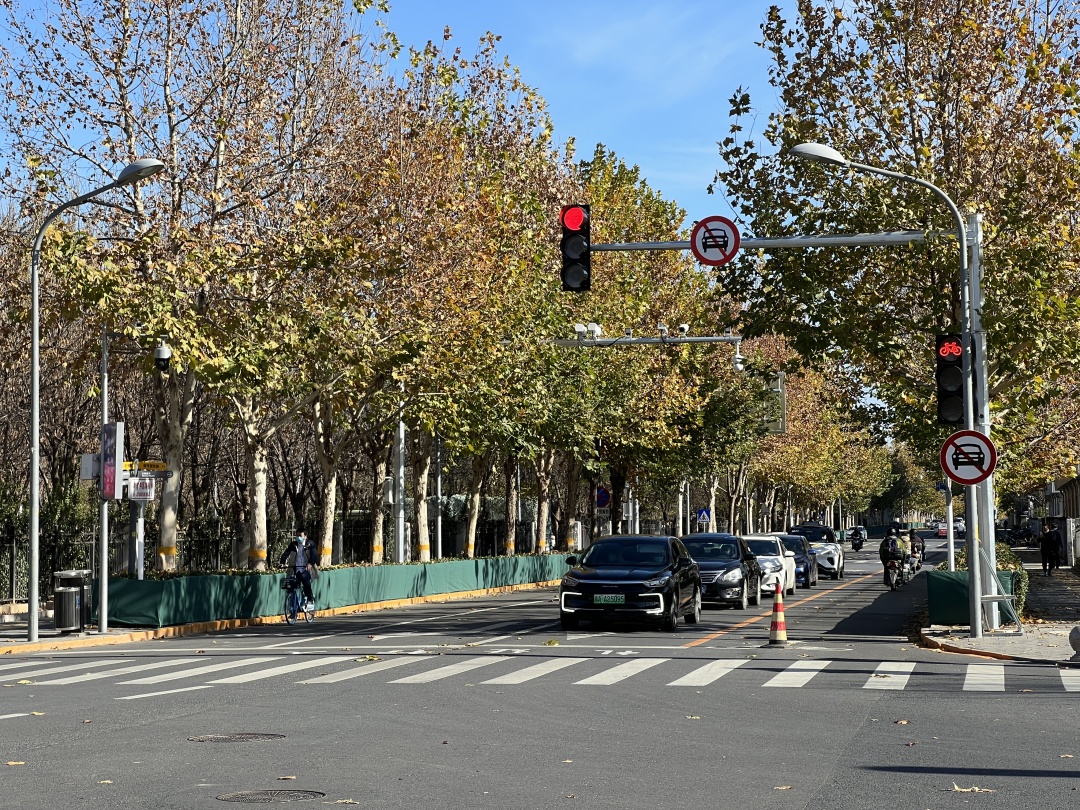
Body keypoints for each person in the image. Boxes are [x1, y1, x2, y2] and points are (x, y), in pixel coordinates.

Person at [280, 530, 319, 609]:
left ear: (305, 536)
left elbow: (314, 554)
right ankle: (292, 607)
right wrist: (282, 562)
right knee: (290, 585)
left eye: (300, 535)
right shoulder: (293, 545)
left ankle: (310, 598)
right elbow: (286, 553)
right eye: (297, 535)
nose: (298, 537)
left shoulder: (310, 544)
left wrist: (310, 563)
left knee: (304, 578)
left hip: (307, 569)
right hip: (295, 569)